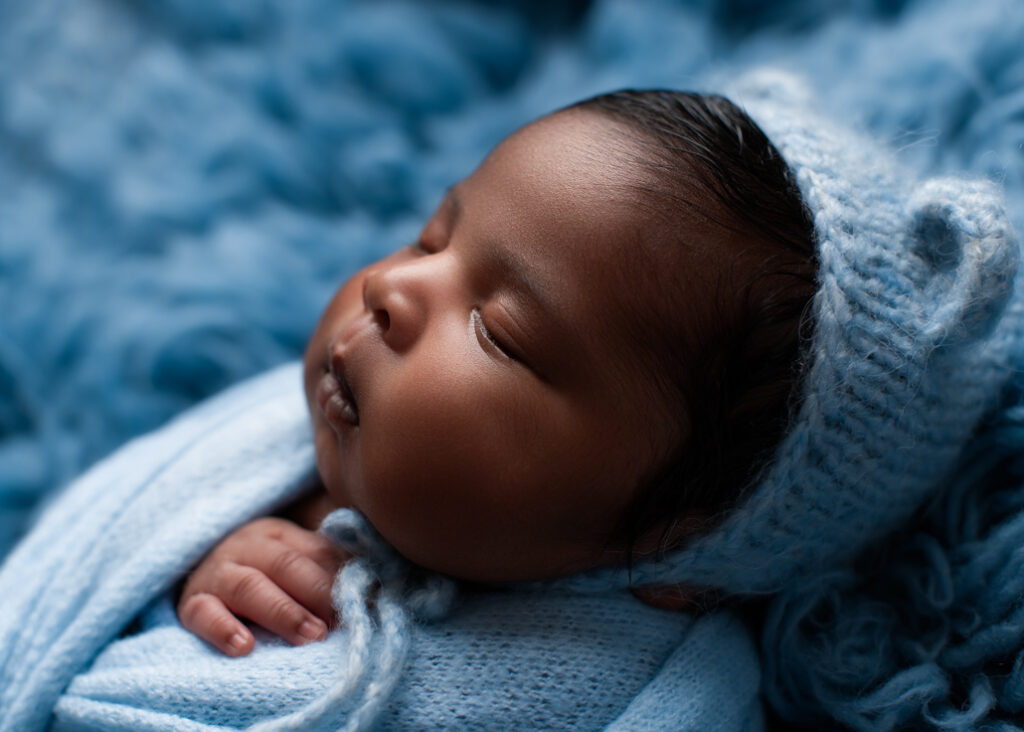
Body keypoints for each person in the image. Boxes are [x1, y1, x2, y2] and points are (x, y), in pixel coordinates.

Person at [175, 86, 820, 657]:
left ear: (670, 548)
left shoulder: (630, 692)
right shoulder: (260, 463)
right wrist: (191, 573)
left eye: (499, 334)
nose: (389, 286)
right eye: (430, 240)